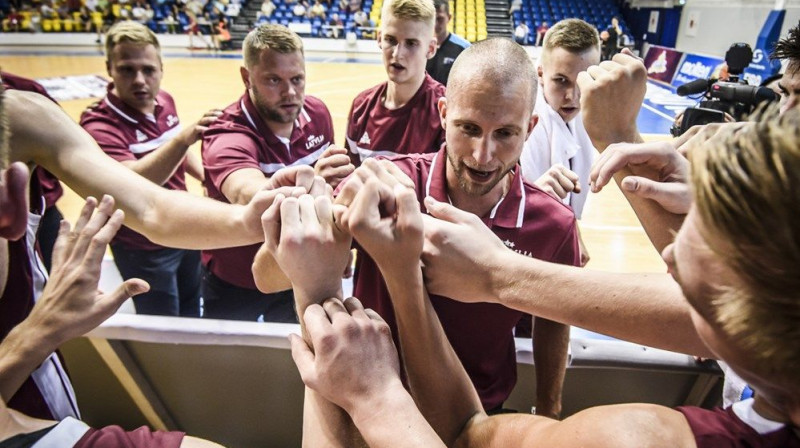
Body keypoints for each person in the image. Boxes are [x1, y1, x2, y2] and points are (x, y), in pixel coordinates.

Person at [291, 107, 800, 447]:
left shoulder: (640, 437)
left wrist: (375, 398)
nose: (667, 265)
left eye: (691, 281)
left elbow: (470, 432)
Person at [2, 76, 313, 420]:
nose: (140, 80)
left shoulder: (20, 111)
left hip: (37, 375)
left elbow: (152, 208)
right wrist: (36, 335)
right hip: (132, 262)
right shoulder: (61, 116)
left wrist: (245, 220)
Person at [334, 38, 578, 416]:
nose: (483, 155)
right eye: (468, 128)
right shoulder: (387, 185)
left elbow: (554, 318)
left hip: (477, 416)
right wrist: (317, 208)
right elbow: (269, 275)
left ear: (529, 129)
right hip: (372, 405)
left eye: (505, 134)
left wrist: (550, 407)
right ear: (443, 113)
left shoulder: (554, 226)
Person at [201, 24, 347, 322]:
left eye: (297, 79)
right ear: (246, 78)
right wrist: (313, 183)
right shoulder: (227, 133)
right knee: (226, 365)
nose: (290, 92)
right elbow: (248, 194)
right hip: (235, 280)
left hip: (296, 274)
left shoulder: (317, 113)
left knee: (293, 362)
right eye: (273, 80)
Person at [79, 22, 214, 317]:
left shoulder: (164, 100)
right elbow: (130, 184)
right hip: (144, 245)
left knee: (192, 307)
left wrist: (207, 178)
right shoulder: (98, 125)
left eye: (149, 70)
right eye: (127, 69)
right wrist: (182, 139)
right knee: (162, 319)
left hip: (185, 226)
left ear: (161, 69)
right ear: (110, 68)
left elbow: (177, 152)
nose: (140, 80)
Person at [519, 19, 600, 267]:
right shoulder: (527, 123)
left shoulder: (585, 115)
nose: (571, 96)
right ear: (541, 74)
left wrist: (574, 231)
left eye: (582, 82)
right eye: (561, 81)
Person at [345, 0, 445, 165]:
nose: (398, 54)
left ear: (431, 48)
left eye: (411, 43)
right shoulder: (361, 107)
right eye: (391, 40)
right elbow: (351, 179)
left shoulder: (444, 111)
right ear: (379, 39)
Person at [0, 72, 65, 273]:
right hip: (22, 212)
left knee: (56, 273)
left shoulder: (27, 90)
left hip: (44, 205)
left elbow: (59, 143)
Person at [425, 0, 469, 86]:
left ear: (449, 17)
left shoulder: (464, 48)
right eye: (432, 19)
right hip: (425, 98)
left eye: (440, 19)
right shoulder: (420, 45)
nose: (435, 24)